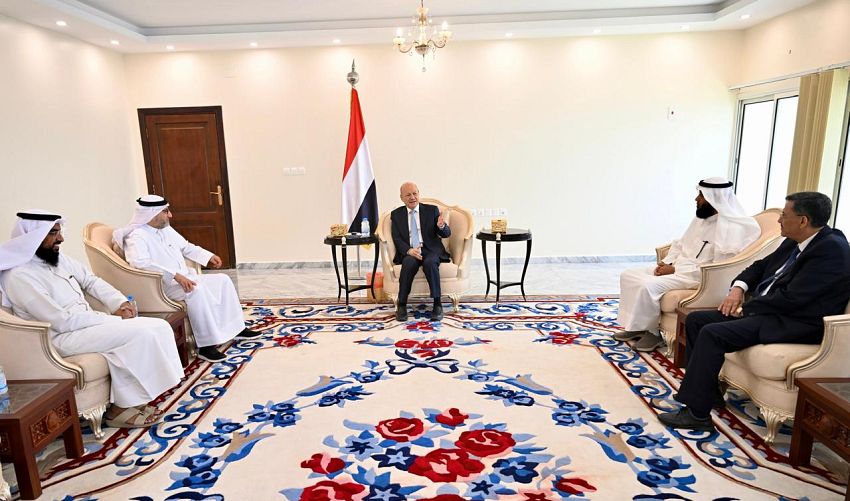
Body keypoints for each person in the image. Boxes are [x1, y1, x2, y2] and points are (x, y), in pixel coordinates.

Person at [659, 192, 850, 431]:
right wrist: (738, 289)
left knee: (712, 333)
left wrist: (745, 309)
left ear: (803, 221)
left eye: (784, 215)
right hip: (770, 311)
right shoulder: (796, 240)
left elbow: (794, 299)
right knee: (696, 320)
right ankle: (708, 393)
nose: (779, 220)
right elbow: (759, 267)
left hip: (796, 322)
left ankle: (697, 415)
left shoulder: (832, 250)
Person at [0, 210, 184, 428]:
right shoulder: (19, 276)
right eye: (53, 233)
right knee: (141, 333)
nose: (61, 238)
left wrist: (119, 303)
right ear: (32, 236)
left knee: (159, 326)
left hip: (85, 326)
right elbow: (61, 321)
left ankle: (136, 400)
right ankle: (119, 411)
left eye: (59, 232)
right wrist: (111, 320)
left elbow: (91, 281)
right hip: (60, 337)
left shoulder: (58, 259)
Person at [615, 177, 761, 352]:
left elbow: (719, 267)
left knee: (648, 285)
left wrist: (674, 269)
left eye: (701, 195)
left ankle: (653, 334)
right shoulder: (701, 219)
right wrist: (666, 262)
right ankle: (636, 326)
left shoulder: (734, 228)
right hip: (678, 269)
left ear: (714, 198)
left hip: (697, 277)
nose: (696, 199)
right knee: (629, 275)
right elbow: (680, 244)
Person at [113, 196, 260, 363]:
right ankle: (206, 346)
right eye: (166, 211)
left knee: (223, 280)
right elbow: (140, 264)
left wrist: (208, 256)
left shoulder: (165, 229)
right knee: (196, 290)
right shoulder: (136, 237)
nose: (170, 215)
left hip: (185, 277)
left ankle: (236, 328)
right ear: (152, 214)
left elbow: (186, 247)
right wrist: (174, 275)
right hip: (162, 285)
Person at [390, 182, 451, 322]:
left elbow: (446, 234)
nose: (412, 197)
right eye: (408, 195)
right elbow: (396, 237)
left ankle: (437, 304)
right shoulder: (396, 214)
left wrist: (441, 226)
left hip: (430, 250)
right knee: (408, 264)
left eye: (414, 193)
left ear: (419, 194)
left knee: (430, 263)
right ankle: (402, 304)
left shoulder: (432, 210)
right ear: (401, 198)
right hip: (411, 250)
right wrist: (408, 250)